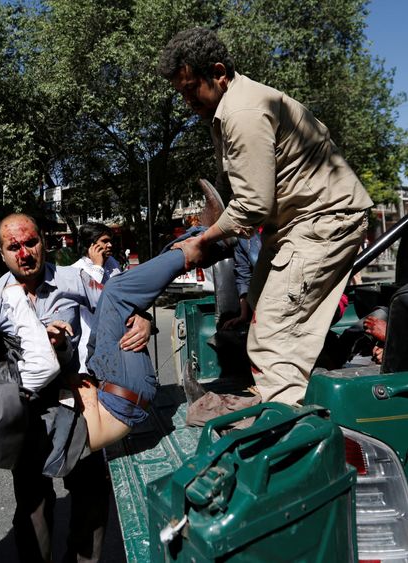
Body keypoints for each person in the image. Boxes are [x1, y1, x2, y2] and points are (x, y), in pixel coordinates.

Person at [159, 28, 373, 405]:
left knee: (273, 336)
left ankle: (282, 432)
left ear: (219, 72)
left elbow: (253, 205)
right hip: (294, 224)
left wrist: (204, 240)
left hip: (323, 222)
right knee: (259, 302)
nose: (187, 99)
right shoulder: (230, 106)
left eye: (192, 88)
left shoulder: (242, 113)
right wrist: (247, 296)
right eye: (181, 91)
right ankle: (282, 392)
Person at [0, 213, 150, 563]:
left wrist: (143, 318)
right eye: (14, 247)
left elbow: (122, 306)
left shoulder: (75, 280)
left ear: (44, 242)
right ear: (1, 253)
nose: (24, 253)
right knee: (33, 505)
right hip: (26, 412)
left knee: (92, 495)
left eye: (30, 243)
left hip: (79, 403)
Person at [71, 222, 123, 374]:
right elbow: (95, 299)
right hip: (91, 342)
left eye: (111, 241)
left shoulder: (112, 263)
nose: (110, 245)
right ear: (91, 244)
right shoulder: (76, 270)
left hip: (116, 336)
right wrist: (97, 267)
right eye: (105, 241)